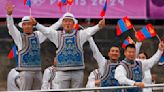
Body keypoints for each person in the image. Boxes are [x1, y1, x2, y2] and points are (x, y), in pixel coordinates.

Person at [32, 12, 105, 89]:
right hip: (62, 72)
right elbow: (47, 31)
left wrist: (98, 26)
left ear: (73, 23)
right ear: (62, 23)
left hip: (77, 71)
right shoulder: (57, 35)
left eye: (69, 21)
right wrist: (37, 24)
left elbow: (89, 31)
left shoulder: (80, 35)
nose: (67, 23)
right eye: (65, 21)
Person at [6, 3, 61, 90]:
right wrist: (9, 16)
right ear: (22, 26)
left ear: (33, 26)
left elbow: (50, 30)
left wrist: (60, 21)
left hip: (37, 71)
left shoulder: (38, 35)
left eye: (29, 24)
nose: (27, 26)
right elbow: (11, 28)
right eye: (25, 24)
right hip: (25, 72)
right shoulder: (19, 37)